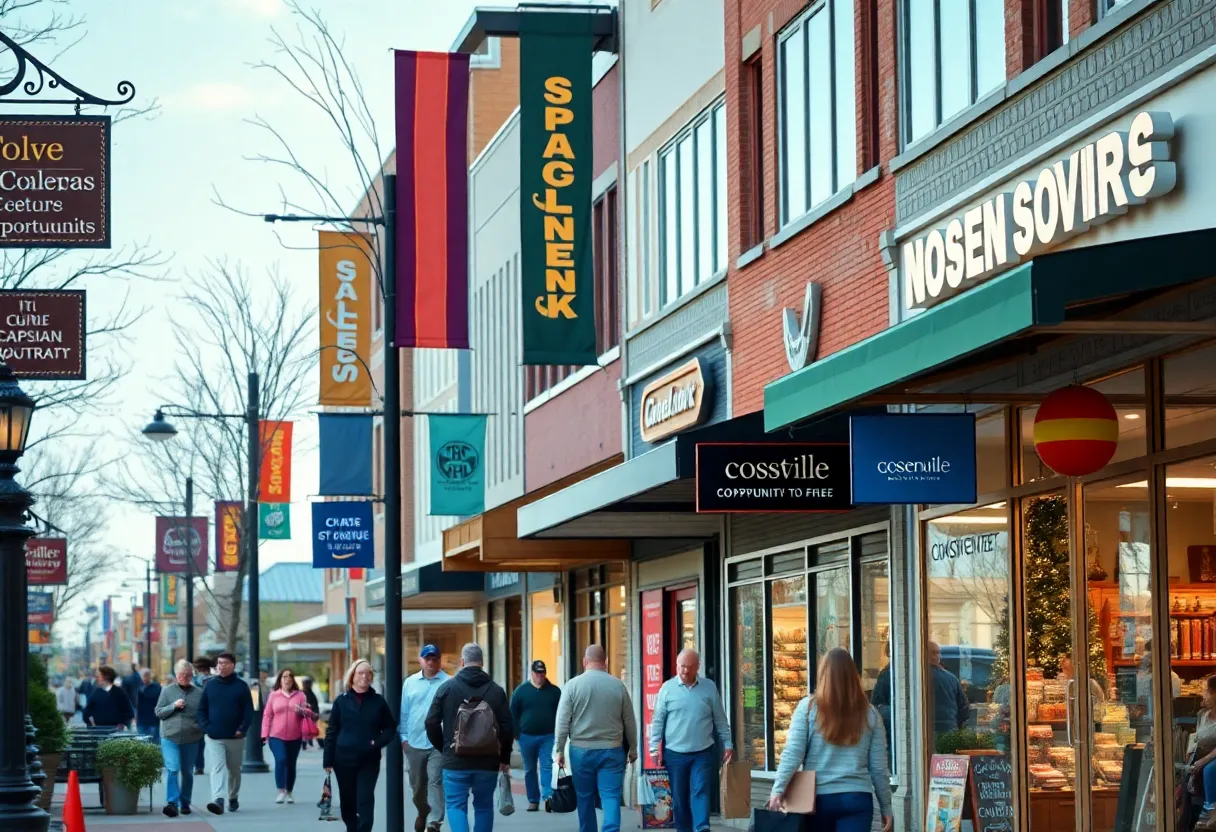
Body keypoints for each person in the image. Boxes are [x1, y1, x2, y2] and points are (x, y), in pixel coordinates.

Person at [767, 648, 893, 832]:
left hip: (816, 800)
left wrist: (778, 789)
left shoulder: (808, 708)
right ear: (853, 676)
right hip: (857, 798)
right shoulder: (870, 713)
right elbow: (879, 769)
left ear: (823, 674)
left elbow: (793, 753)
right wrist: (886, 807)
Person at [425, 643, 513, 832]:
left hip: (455, 760)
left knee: (456, 806)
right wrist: (504, 758)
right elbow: (507, 727)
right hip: (487, 761)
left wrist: (445, 747)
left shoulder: (447, 688)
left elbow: (431, 722)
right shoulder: (496, 690)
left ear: (462, 662)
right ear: (482, 663)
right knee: (483, 806)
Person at [555, 645, 638, 832]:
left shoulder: (572, 686)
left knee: (584, 797)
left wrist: (559, 750)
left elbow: (562, 722)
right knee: (611, 796)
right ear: (606, 662)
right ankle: (611, 829)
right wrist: (633, 748)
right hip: (612, 749)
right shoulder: (618, 686)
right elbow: (629, 721)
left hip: (581, 751)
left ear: (585, 662)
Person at [648, 649, 733, 832]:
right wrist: (654, 746)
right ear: (677, 666)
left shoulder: (709, 687)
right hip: (675, 754)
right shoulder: (667, 689)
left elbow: (720, 718)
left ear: (697, 667)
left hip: (703, 752)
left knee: (700, 790)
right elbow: (658, 720)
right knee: (679, 799)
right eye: (681, 666)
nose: (685, 671)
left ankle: (702, 827)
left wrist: (728, 743)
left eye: (689, 667)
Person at [324, 659, 398, 832]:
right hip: (343, 760)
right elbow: (331, 731)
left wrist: (377, 743)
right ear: (352, 677)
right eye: (361, 673)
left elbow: (390, 727)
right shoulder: (341, 701)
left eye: (368, 673)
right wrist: (327, 760)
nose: (365, 676)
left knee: (364, 800)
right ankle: (352, 828)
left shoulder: (378, 701)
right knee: (348, 803)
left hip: (368, 759)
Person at [401, 644, 450, 832]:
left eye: (434, 659)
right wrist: (403, 739)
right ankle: (423, 812)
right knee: (417, 787)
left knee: (435, 781)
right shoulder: (410, 683)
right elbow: (404, 712)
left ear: (439, 660)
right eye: (427, 658)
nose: (431, 662)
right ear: (421, 660)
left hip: (438, 744)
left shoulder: (448, 682)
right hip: (413, 742)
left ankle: (434, 822)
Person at [198, 651, 254, 816]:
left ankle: (233, 796)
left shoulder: (241, 686)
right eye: (219, 663)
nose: (221, 666)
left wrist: (242, 729)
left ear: (233, 665)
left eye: (225, 663)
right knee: (217, 768)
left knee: (234, 770)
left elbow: (248, 711)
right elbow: (202, 710)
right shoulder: (210, 686)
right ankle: (218, 799)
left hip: (235, 737)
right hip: (214, 736)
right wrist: (206, 728)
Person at [511, 659, 562, 812]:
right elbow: (513, 713)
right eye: (537, 673)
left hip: (548, 736)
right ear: (532, 673)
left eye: (542, 673)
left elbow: (561, 714)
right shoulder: (521, 691)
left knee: (546, 766)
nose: (540, 675)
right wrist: (516, 734)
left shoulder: (554, 692)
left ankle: (548, 798)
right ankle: (533, 800)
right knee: (529, 769)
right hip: (527, 736)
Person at [156, 659, 205, 818]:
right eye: (181, 674)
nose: (184, 677)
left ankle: (185, 803)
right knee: (172, 768)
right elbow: (158, 712)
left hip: (191, 737)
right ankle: (172, 803)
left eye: (188, 674)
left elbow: (204, 715)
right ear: (176, 675)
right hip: (170, 736)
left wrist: (198, 728)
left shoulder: (199, 693)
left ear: (192, 675)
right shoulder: (167, 691)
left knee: (187, 772)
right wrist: (173, 706)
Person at [262, 667, 316, 804]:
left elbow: (310, 713)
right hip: (276, 735)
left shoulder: (300, 695)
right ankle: (281, 790)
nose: (287, 679)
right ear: (280, 680)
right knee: (280, 760)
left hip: (295, 735)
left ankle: (289, 791)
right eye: (284, 677)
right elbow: (267, 715)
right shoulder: (274, 695)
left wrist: (302, 710)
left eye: (290, 677)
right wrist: (264, 734)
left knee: (291, 764)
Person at [1187, 676, 1216, 830]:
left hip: (1211, 757)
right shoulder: (1202, 714)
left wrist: (1203, 760)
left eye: (1207, 691)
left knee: (1209, 769)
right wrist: (1190, 755)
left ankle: (1211, 811)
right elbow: (1195, 738)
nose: (1203, 694)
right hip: (1200, 756)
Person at [927, 642, 970, 738]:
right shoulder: (951, 678)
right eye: (938, 653)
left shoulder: (915, 678)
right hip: (949, 730)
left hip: (924, 731)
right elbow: (964, 708)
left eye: (938, 653)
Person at [192, 657, 215, 775]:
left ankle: (199, 766)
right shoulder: (214, 680)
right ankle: (199, 766)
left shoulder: (196, 681)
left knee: (199, 742)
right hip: (209, 715)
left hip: (201, 715)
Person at [137, 669, 162, 740]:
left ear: (150, 676)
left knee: (154, 743)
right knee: (142, 743)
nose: (144, 678)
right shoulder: (138, 687)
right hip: (141, 720)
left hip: (153, 721)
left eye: (146, 676)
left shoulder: (157, 688)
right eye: (142, 676)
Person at [301, 678, 321, 750]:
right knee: (307, 729)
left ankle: (309, 743)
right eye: (308, 684)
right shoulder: (303, 693)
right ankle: (306, 744)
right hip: (307, 715)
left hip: (312, 714)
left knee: (310, 729)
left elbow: (315, 704)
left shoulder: (309, 692)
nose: (310, 685)